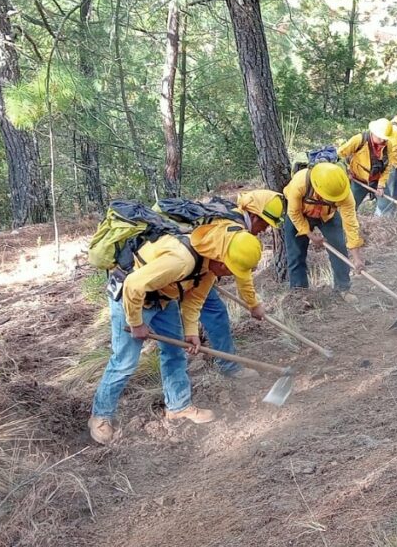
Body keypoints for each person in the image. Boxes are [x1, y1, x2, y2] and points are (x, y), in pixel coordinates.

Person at [89, 224, 263, 445]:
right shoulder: (182, 260)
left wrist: (191, 332)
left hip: (163, 297)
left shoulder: (209, 268)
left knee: (176, 352)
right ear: (221, 260)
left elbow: (193, 301)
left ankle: (178, 407)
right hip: (131, 299)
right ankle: (100, 415)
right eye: (231, 269)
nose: (230, 275)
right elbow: (133, 285)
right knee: (125, 361)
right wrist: (136, 323)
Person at [199, 189, 284, 379]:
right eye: (264, 223)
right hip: (181, 274)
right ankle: (227, 366)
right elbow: (242, 274)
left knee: (210, 311)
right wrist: (253, 304)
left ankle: (214, 353)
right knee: (215, 312)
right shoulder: (233, 228)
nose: (265, 229)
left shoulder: (232, 217)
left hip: (198, 273)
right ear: (254, 216)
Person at [282, 157, 365, 299]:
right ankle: (299, 294)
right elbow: (293, 212)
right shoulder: (300, 182)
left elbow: (351, 225)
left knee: (339, 246)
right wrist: (309, 234)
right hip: (300, 214)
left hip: (327, 216)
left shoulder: (345, 194)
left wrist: (356, 257)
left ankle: (343, 289)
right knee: (295, 253)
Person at [339, 118, 393, 208]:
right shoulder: (359, 140)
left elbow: (388, 167)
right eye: (380, 137)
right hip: (358, 180)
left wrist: (381, 185)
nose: (383, 141)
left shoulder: (388, 145)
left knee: (386, 205)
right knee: (351, 206)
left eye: (385, 139)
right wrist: (346, 171)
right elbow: (340, 154)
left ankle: (383, 220)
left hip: (377, 180)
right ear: (373, 132)